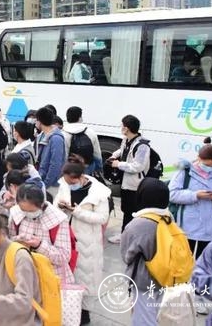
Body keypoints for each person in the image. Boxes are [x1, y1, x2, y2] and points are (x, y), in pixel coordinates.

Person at [53, 161, 110, 324]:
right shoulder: (64, 185)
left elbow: (102, 218)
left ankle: (83, 314)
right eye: (67, 182)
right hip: (67, 237)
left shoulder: (98, 192)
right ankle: (68, 308)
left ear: (80, 178)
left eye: (72, 182)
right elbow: (56, 205)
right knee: (68, 274)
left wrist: (77, 212)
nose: (69, 185)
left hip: (88, 242)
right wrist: (60, 206)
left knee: (86, 277)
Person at [168, 144, 212, 259]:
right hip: (187, 227)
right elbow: (172, 194)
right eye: (206, 164)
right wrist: (195, 195)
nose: (209, 168)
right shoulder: (185, 172)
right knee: (183, 261)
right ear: (198, 158)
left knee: (207, 262)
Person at [120, 177, 171, 325]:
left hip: (144, 280)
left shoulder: (138, 224)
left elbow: (126, 254)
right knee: (158, 316)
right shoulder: (169, 218)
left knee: (144, 319)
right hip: (167, 276)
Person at [9, 182, 74, 284]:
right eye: (23, 210)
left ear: (41, 204)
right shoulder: (15, 213)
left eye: (31, 211)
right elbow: (9, 241)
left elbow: (64, 257)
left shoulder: (58, 219)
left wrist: (39, 245)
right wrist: (17, 240)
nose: (27, 214)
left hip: (51, 277)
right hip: (24, 274)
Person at [106, 114, 150, 244]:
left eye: (122, 125)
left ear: (126, 128)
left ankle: (126, 237)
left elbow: (138, 166)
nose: (121, 127)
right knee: (126, 209)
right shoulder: (126, 140)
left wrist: (118, 164)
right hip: (126, 182)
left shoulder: (142, 146)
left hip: (134, 184)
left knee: (131, 211)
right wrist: (113, 156)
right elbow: (122, 151)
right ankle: (126, 234)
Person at [34, 106, 66, 194]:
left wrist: (46, 184)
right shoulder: (41, 135)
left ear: (40, 121)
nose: (35, 122)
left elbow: (55, 164)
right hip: (41, 179)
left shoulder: (56, 139)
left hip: (51, 185)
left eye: (36, 120)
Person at [62, 106, 102, 174]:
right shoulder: (90, 132)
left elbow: (63, 155)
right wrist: (99, 168)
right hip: (87, 167)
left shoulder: (63, 134)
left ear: (67, 118)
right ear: (80, 118)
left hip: (70, 169)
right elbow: (97, 154)